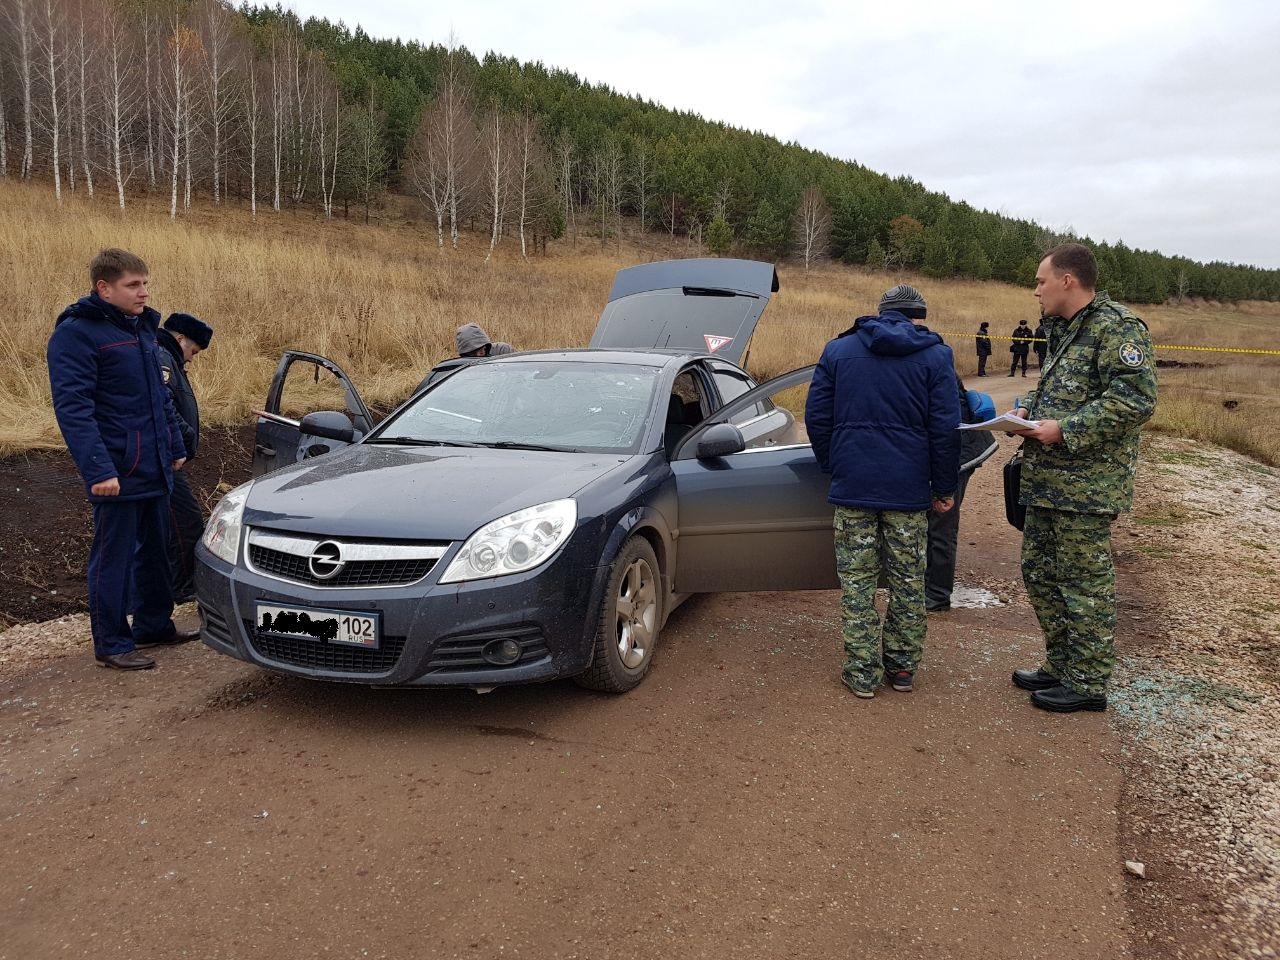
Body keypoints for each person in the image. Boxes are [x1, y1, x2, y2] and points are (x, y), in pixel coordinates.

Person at [1009, 243, 1157, 713]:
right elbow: (1056, 386)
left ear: (1067, 281)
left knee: (1083, 584)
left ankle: (1089, 684)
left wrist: (1065, 429)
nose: (1036, 290)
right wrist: (1030, 408)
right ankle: (1060, 665)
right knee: (1041, 573)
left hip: (1086, 487)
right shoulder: (1063, 328)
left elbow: (1135, 401)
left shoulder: (1117, 327)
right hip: (1047, 480)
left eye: (1040, 280)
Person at [805, 284, 960, 699]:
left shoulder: (838, 351)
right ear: (918, 317)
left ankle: (862, 673)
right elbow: (945, 430)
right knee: (909, 581)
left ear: (881, 313)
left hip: (853, 486)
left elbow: (817, 417)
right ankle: (903, 669)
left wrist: (833, 465)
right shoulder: (936, 356)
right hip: (908, 493)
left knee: (857, 582)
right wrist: (944, 487)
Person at [47, 248, 199, 671]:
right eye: (133, 285)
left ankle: (153, 625)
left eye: (145, 283)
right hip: (117, 469)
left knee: (155, 550)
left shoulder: (142, 330)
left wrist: (174, 446)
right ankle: (112, 642)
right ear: (104, 288)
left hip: (154, 465)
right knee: (113, 557)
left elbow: (158, 398)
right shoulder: (76, 334)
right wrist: (98, 469)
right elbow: (73, 408)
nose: (143, 292)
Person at [156, 312, 214, 604]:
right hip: (165, 457)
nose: (191, 358)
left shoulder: (168, 358)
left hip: (168, 455)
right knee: (186, 521)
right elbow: (164, 406)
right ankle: (185, 588)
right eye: (192, 351)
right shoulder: (164, 359)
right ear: (180, 339)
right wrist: (183, 439)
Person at [925, 381, 998, 611]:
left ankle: (937, 596)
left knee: (941, 525)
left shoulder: (931, 358)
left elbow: (946, 422)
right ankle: (927, 587)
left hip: (956, 449)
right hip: (944, 447)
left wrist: (943, 484)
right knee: (932, 523)